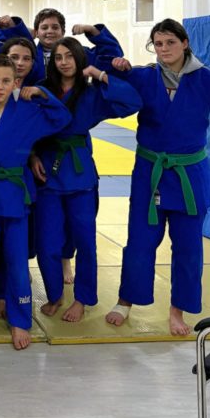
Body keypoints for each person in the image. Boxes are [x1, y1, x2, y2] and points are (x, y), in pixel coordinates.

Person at [105, 19, 210, 336]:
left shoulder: (207, 79)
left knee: (188, 247)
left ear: (185, 43)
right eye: (158, 44)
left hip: (190, 174)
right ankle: (125, 300)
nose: (163, 49)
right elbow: (105, 77)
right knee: (139, 240)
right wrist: (116, 64)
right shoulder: (144, 76)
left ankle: (178, 310)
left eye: (170, 42)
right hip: (150, 173)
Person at [0, 55, 71, 349]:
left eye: (6, 81)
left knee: (17, 263)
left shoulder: (27, 110)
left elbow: (62, 118)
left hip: (14, 196)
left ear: (16, 83)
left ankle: (20, 319)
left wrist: (42, 94)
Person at [31, 37, 142, 322]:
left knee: (85, 241)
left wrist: (101, 74)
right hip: (47, 171)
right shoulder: (43, 89)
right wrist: (31, 156)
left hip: (80, 175)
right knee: (48, 242)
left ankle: (82, 299)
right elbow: (23, 126)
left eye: (70, 56)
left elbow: (132, 101)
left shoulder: (92, 92)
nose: (64, 62)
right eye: (58, 57)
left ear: (80, 59)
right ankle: (54, 294)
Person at [31, 8, 123, 82]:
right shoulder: (29, 56)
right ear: (37, 33)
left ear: (63, 32)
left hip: (75, 99)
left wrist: (92, 30)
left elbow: (113, 53)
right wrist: (26, 34)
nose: (50, 31)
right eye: (44, 28)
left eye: (55, 27)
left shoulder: (79, 53)